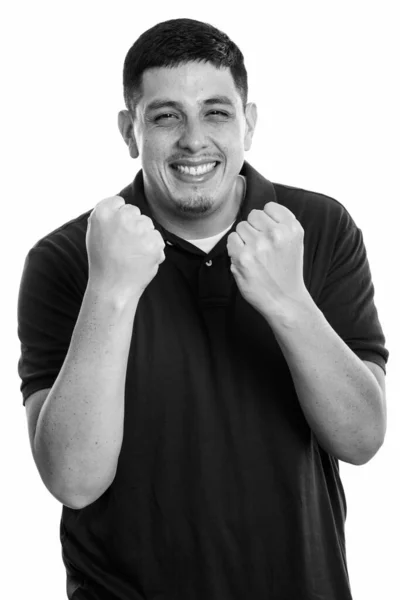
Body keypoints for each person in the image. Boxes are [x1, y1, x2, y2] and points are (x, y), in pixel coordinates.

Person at [17, 17, 389, 600]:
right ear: (128, 131)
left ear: (250, 123)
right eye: (166, 116)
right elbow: (73, 480)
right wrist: (110, 291)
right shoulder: (65, 257)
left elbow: (362, 438)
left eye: (216, 111)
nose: (194, 139)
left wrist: (287, 301)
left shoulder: (318, 228)